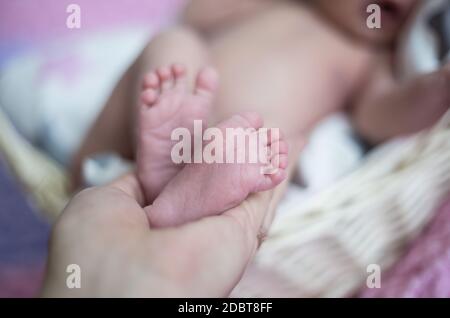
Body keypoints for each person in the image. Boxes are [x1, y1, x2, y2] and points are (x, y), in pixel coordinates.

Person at [70, 0, 449, 228]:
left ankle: (184, 183)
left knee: (273, 141)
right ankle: (165, 158)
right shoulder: (276, 4)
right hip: (134, 144)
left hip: (225, 162)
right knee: (173, 44)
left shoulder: (372, 60)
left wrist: (434, 89)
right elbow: (193, 14)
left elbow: (380, 114)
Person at [40, 172, 283, 297]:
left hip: (102, 166)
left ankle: (170, 177)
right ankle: (176, 179)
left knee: (147, 81)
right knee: (280, 123)